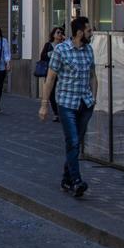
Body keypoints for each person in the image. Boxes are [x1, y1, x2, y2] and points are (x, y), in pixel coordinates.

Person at [40, 16, 96, 197]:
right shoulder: (61, 50)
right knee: (72, 141)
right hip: (66, 103)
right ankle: (77, 181)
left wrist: (94, 97)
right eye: (89, 30)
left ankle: (66, 178)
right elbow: (50, 78)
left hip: (85, 103)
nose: (91, 33)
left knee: (76, 143)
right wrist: (44, 105)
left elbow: (93, 75)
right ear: (80, 32)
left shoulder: (89, 50)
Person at [37, 27, 65, 123]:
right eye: (58, 32)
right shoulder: (48, 45)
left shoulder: (64, 45)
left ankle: (62, 112)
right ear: (53, 34)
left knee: (62, 92)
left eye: (61, 32)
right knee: (52, 93)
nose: (60, 34)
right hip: (50, 71)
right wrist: (52, 53)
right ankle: (56, 113)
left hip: (62, 72)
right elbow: (42, 56)